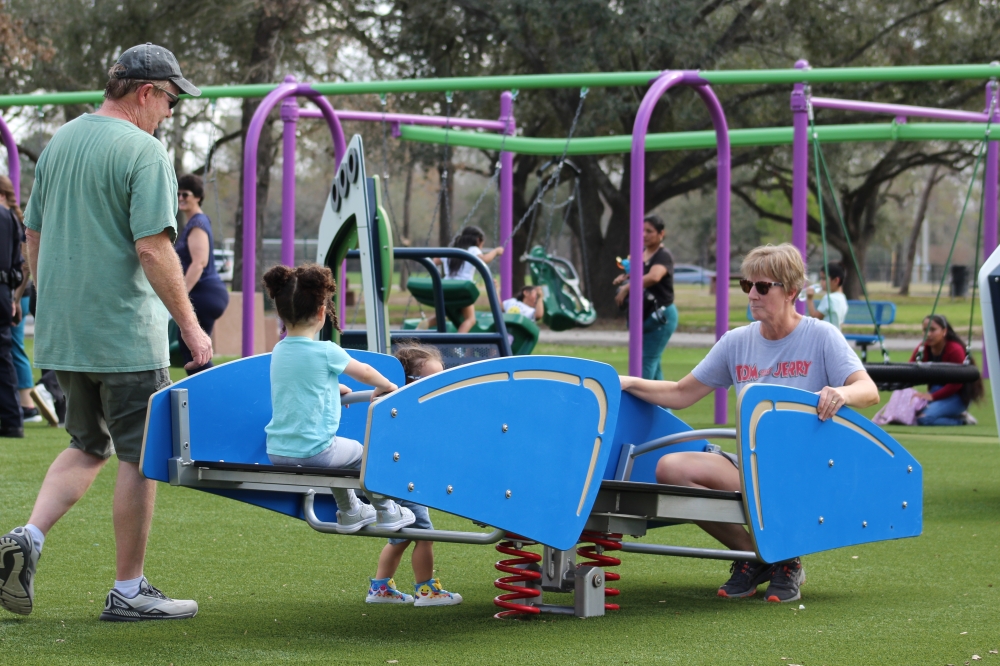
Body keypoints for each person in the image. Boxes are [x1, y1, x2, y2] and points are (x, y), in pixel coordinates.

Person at [0, 43, 212, 622]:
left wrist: (53, 306)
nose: (169, 112)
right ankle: (129, 589)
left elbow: (33, 235)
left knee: (85, 444)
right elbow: (152, 246)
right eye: (169, 99)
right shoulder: (145, 152)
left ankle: (30, 534)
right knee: (140, 457)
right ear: (145, 92)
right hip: (125, 334)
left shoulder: (60, 143)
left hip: (64, 335)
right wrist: (192, 329)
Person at [619, 243, 879, 603]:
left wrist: (842, 393)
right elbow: (682, 392)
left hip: (805, 466)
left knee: (767, 475)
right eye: (747, 285)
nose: (752, 294)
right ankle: (760, 557)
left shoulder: (821, 336)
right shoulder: (737, 341)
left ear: (791, 292)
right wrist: (627, 382)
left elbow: (868, 389)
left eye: (762, 287)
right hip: (754, 462)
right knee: (671, 468)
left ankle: (783, 558)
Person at [261, 263, 415, 534]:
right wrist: (387, 385)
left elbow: (299, 385)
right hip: (314, 451)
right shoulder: (327, 351)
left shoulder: (279, 351)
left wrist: (332, 387)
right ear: (322, 312)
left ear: (281, 314)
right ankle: (387, 510)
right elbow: (365, 372)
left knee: (335, 454)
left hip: (277, 450)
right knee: (362, 455)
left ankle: (351, 511)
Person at [365, 342, 463, 607]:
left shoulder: (403, 407)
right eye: (430, 381)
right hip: (404, 483)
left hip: (401, 481)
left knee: (399, 538)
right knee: (424, 534)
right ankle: (426, 590)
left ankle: (380, 587)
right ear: (409, 381)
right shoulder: (396, 406)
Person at [174, 174, 229, 375]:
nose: (180, 198)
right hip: (206, 294)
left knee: (195, 354)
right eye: (177, 193)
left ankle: (214, 398)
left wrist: (180, 296)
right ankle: (211, 397)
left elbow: (199, 263)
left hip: (204, 293)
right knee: (196, 353)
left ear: (197, 197)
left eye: (185, 194)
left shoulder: (198, 223)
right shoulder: (194, 223)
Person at [0, 175, 45, 425]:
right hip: (16, 292)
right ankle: (20, 406)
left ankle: (25, 404)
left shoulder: (10, 220)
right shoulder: (17, 220)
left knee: (13, 349)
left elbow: (24, 265)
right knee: (12, 349)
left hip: (17, 292)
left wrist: (15, 297)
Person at [613, 215, 678, 380]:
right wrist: (625, 278)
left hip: (661, 317)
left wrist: (628, 287)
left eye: (649, 231)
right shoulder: (640, 253)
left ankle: (640, 403)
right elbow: (637, 274)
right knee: (654, 368)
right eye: (641, 230)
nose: (644, 234)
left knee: (646, 363)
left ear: (661, 234)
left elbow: (654, 277)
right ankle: (662, 406)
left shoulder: (663, 255)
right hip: (645, 314)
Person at [428, 225, 504, 333]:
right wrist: (496, 251)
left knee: (441, 316)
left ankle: (419, 329)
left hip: (446, 288)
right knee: (470, 319)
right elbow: (484, 259)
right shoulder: (473, 249)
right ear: (478, 240)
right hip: (462, 290)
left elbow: (435, 261)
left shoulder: (452, 249)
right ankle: (457, 348)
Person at [910, 314, 983, 426]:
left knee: (924, 419)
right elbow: (909, 370)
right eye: (925, 330)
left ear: (944, 331)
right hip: (936, 390)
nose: (928, 334)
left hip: (958, 396)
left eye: (933, 330)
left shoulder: (954, 349)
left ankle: (963, 421)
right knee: (908, 415)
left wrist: (932, 397)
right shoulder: (923, 348)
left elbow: (957, 383)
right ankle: (952, 414)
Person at [0, 175, 25, 437]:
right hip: (5, 291)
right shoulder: (11, 218)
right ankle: (12, 419)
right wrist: (13, 298)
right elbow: (18, 265)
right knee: (4, 357)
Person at [805, 262, 848, 330]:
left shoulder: (829, 298)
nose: (821, 282)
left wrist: (809, 299)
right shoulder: (842, 297)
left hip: (826, 337)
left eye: (824, 279)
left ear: (836, 280)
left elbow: (814, 320)